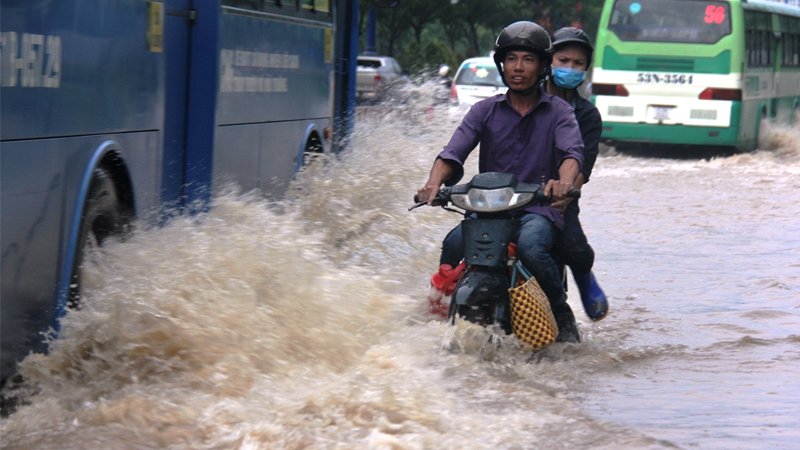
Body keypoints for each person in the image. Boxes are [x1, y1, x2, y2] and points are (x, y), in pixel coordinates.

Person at [416, 21, 585, 342]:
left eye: (528, 59)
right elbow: (452, 153)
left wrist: (563, 184)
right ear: (501, 64)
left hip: (538, 209)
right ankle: (439, 319)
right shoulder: (484, 110)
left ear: (543, 66)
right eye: (511, 59)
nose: (518, 67)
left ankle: (560, 311)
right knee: (453, 244)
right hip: (489, 210)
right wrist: (433, 184)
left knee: (532, 248)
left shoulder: (560, 112)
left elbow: (571, 154)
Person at [546, 27, 609, 322]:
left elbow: (585, 163)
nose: (569, 68)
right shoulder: (526, 100)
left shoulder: (586, 115)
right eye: (563, 60)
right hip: (514, 192)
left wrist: (566, 193)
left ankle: (584, 278)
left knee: (574, 247)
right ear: (548, 61)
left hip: (561, 196)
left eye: (578, 63)